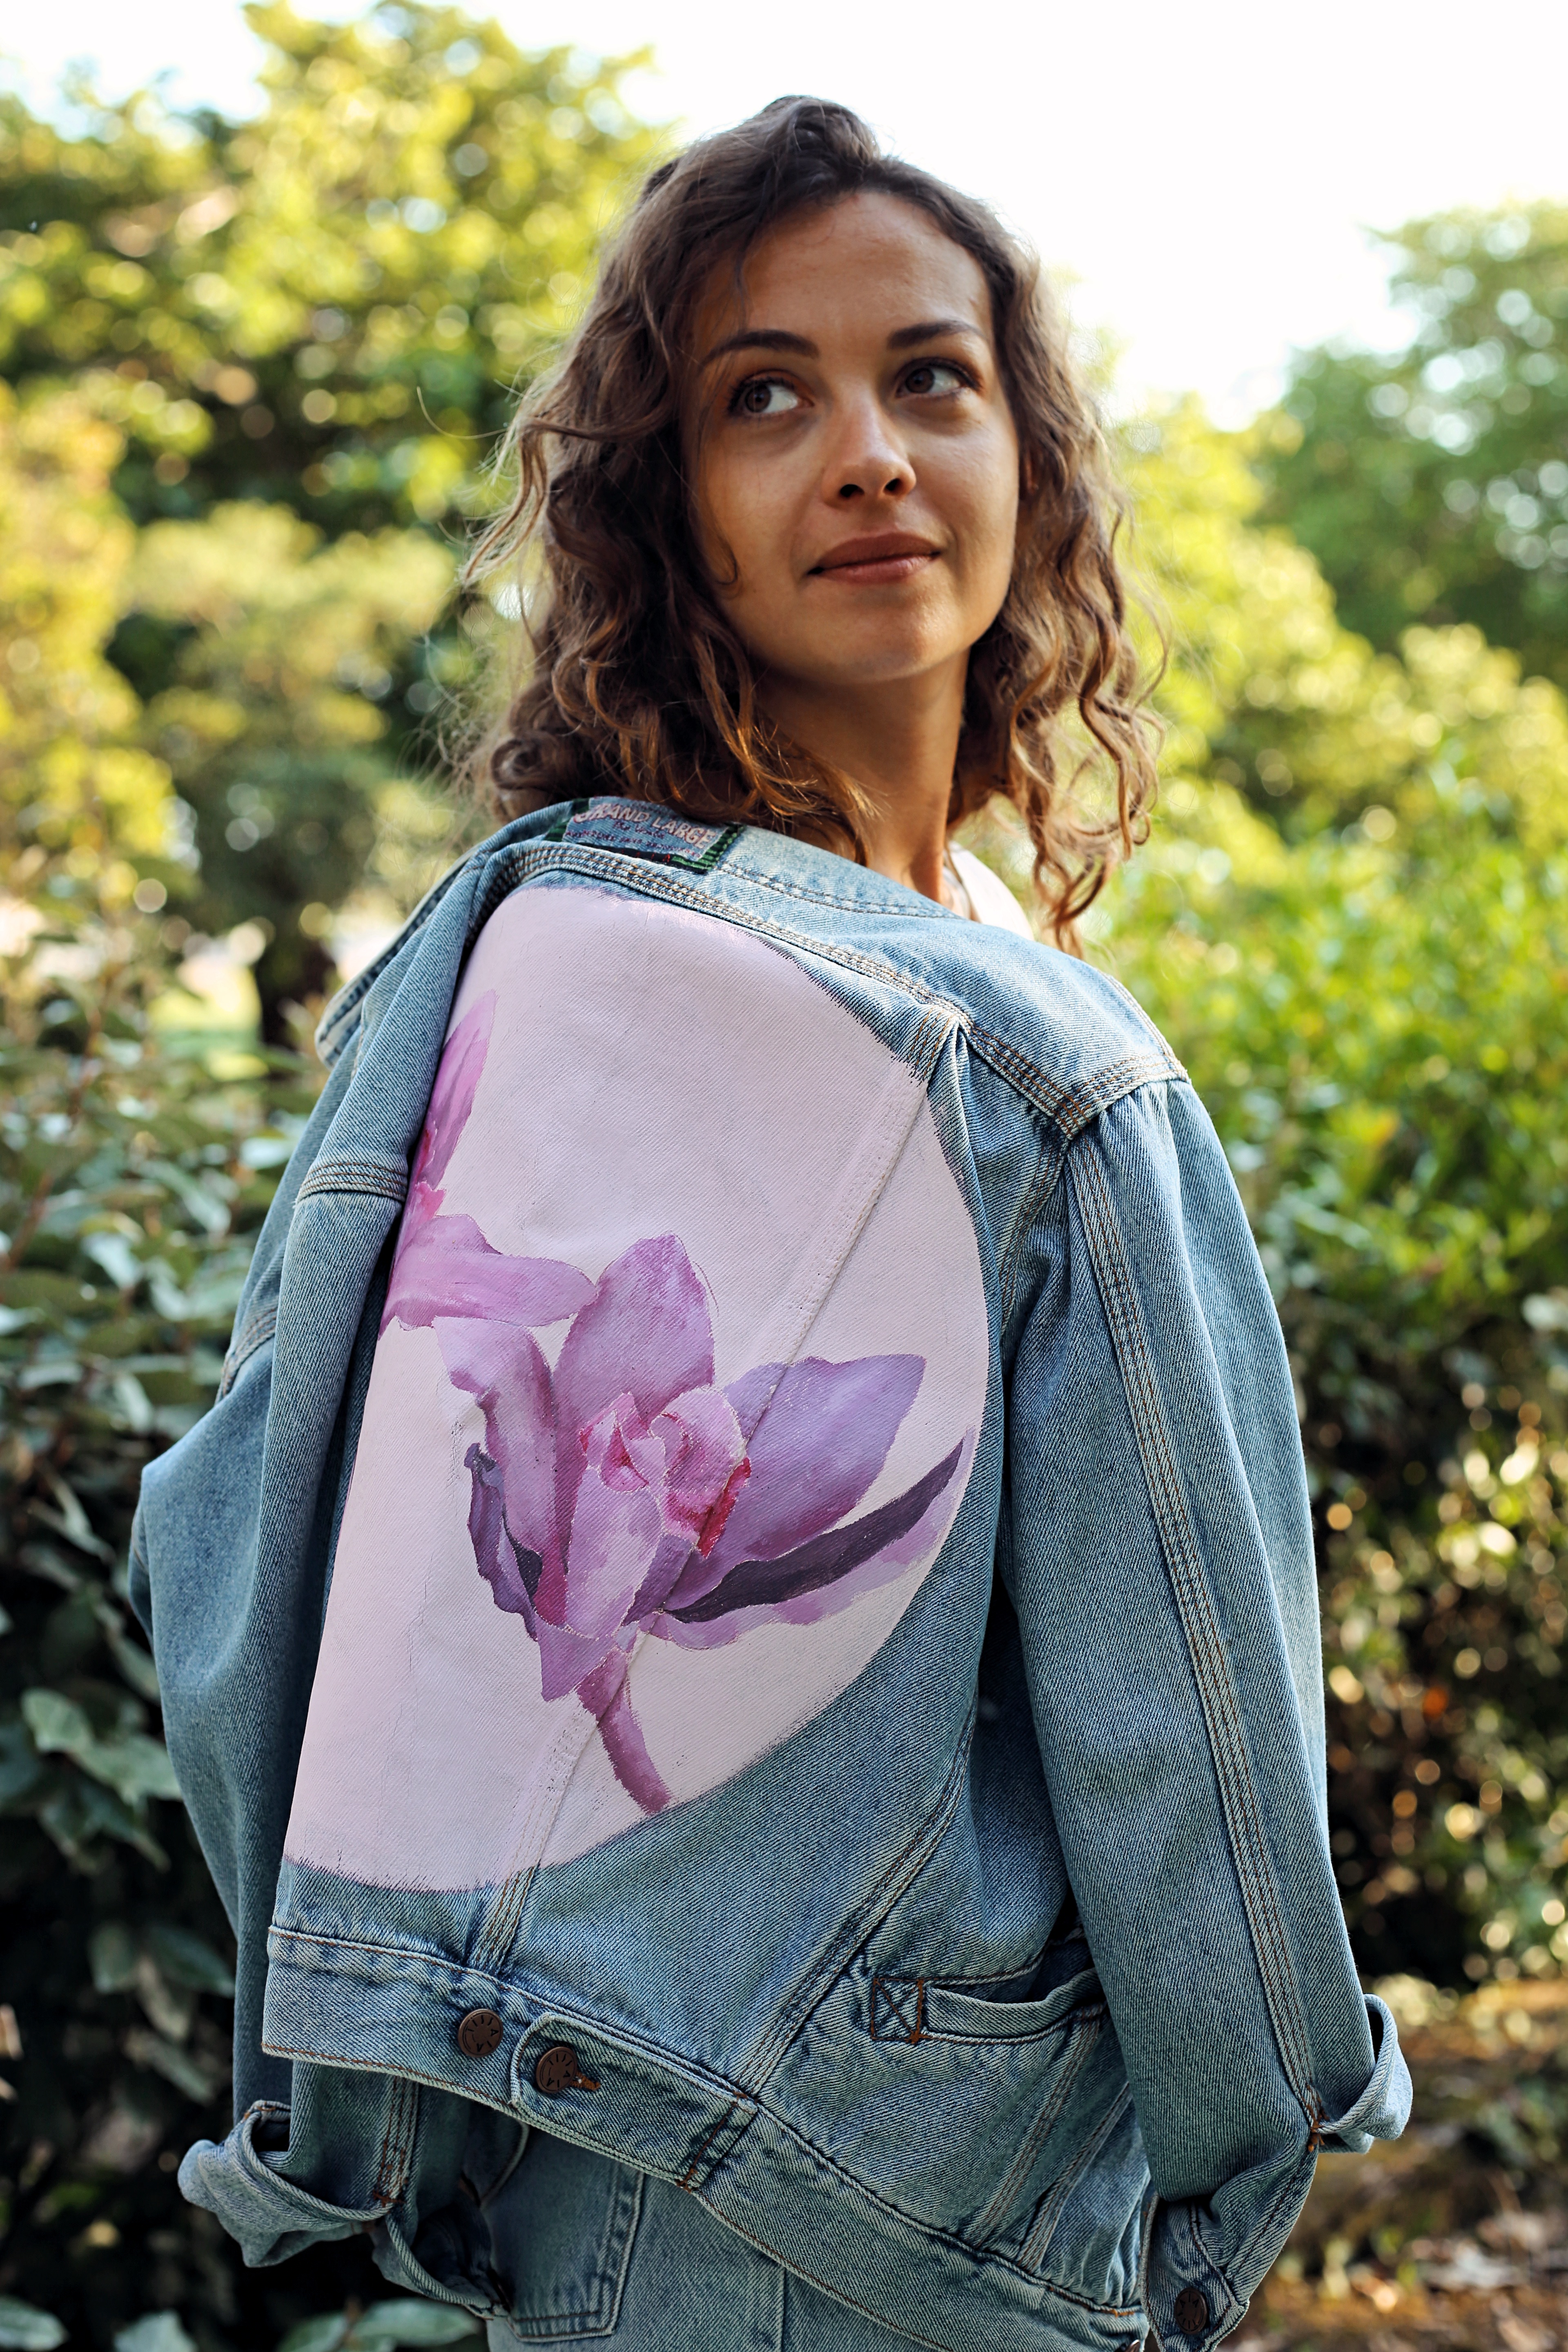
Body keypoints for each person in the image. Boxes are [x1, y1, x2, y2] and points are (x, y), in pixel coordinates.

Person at [134, 97, 1409, 2352]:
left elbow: (233, 1555)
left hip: (572, 2176)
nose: (868, 451)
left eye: (933, 376)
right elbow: (1182, 1723)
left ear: (1028, 451)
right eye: (763, 395)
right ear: (669, 512)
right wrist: (1264, 2141)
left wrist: (368, 2078)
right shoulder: (1032, 1052)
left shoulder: (520, 952)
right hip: (907, 2205)